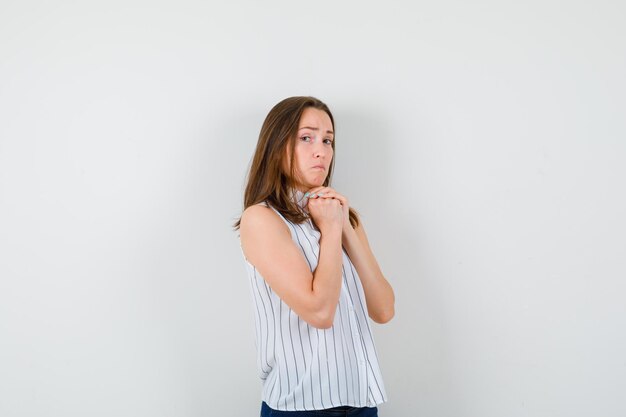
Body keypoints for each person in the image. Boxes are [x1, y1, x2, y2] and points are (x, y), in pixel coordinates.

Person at [234, 96, 395, 416]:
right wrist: (332, 231)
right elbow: (320, 312)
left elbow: (384, 309)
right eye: (306, 138)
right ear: (277, 145)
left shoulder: (345, 218)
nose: (321, 150)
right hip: (300, 406)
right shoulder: (262, 219)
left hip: (361, 402)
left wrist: (344, 225)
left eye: (328, 140)